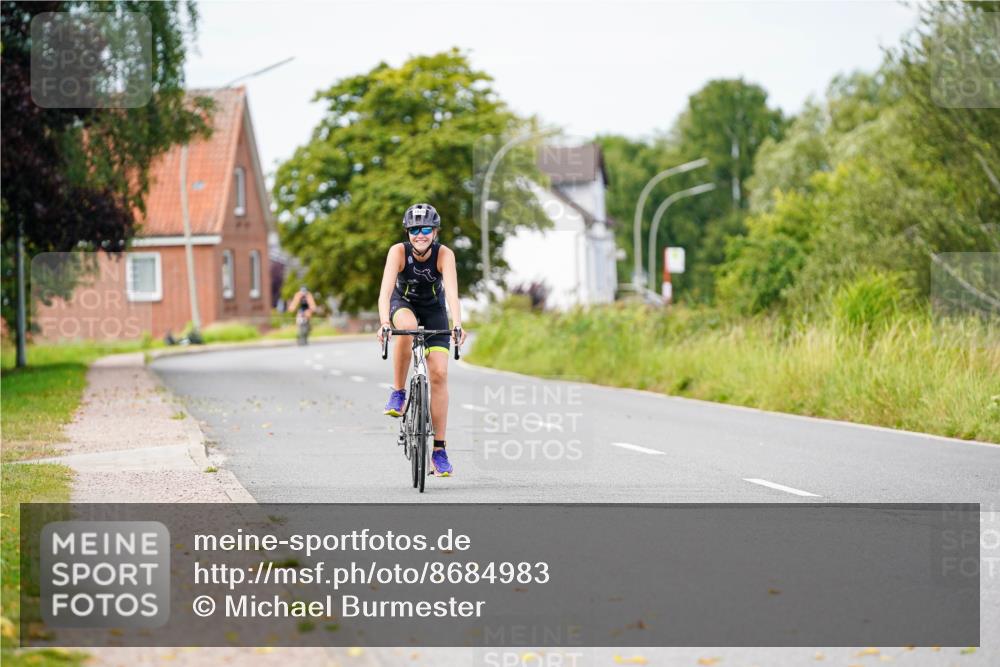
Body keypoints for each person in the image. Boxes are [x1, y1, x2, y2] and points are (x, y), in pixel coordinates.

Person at [377, 203, 467, 477]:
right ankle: (398, 391)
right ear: (408, 232)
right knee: (409, 327)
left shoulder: (444, 255)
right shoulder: (398, 252)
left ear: (435, 231)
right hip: (402, 303)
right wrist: (383, 323)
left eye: (426, 229)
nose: (420, 234)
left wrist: (458, 324)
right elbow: (384, 292)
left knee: (439, 374)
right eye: (415, 229)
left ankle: (438, 450)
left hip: (434, 309)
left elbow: (452, 293)